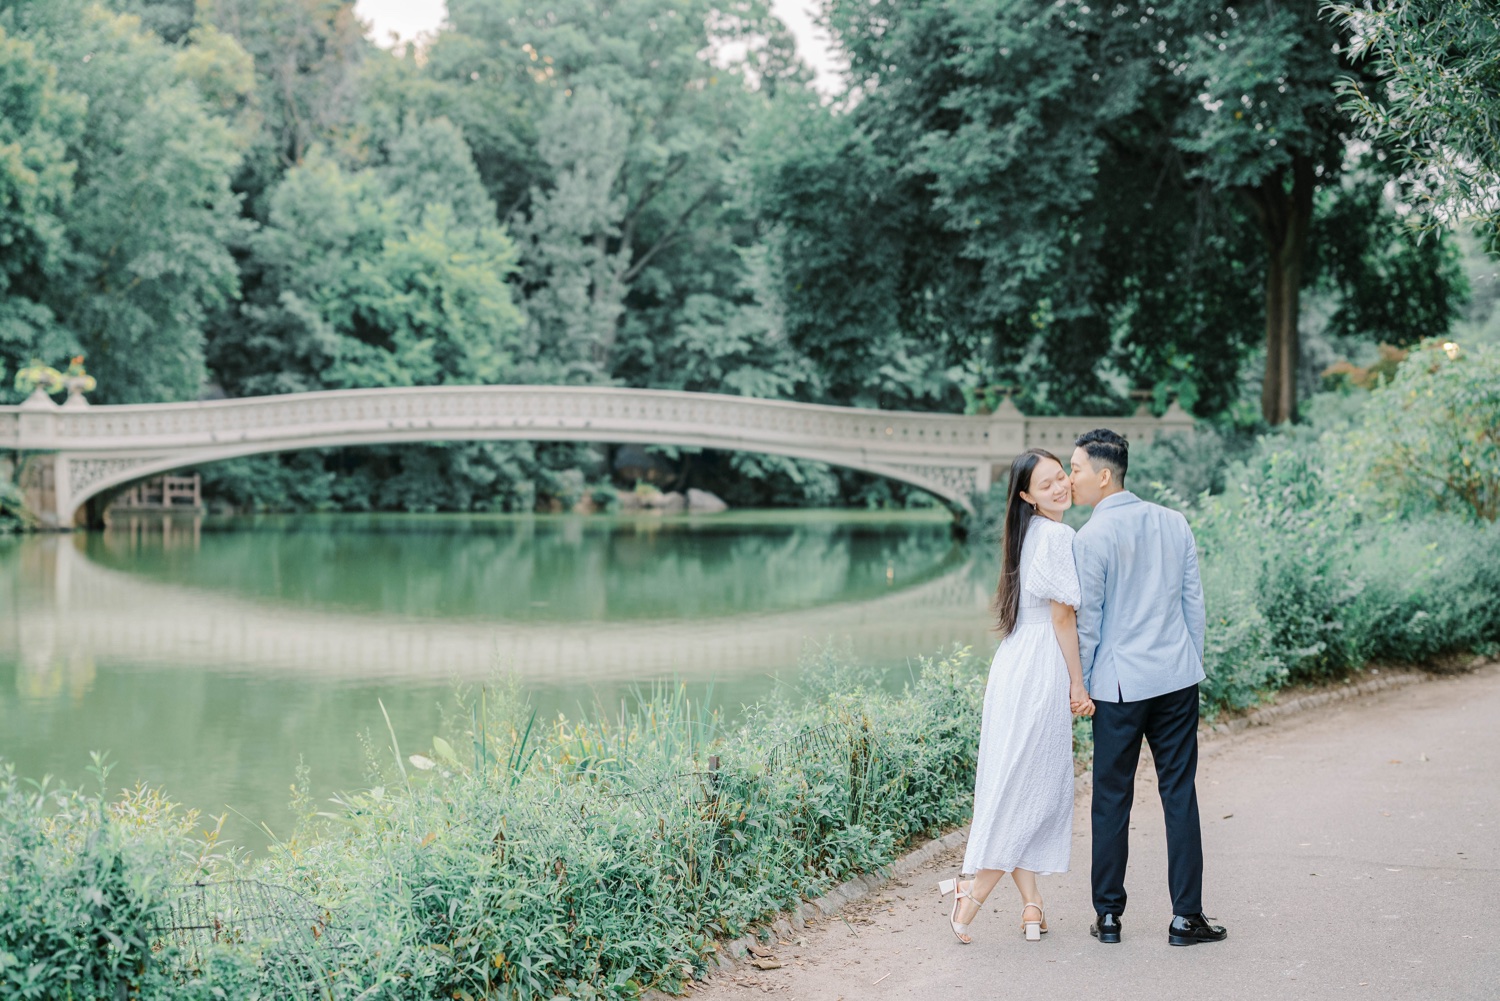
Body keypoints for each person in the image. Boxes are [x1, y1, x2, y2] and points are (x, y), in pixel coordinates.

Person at [1069, 428, 1227, 947]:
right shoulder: (1173, 522)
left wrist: (1082, 686)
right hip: (1176, 679)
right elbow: (1193, 605)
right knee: (1179, 792)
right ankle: (1187, 919)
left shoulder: (1091, 537)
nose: (1072, 480)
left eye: (1076, 470)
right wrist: (1189, 662)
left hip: (1118, 686)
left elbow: (1088, 622)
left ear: (1104, 474)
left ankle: (1109, 917)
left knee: (1112, 799)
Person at [938, 448, 1095, 945]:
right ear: (1026, 496)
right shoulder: (1058, 535)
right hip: (1042, 667)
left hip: (1013, 664)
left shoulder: (1025, 535)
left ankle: (1032, 906)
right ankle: (971, 894)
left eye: (1061, 478)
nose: (1060, 487)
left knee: (1019, 782)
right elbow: (1062, 616)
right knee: (1032, 789)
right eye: (1046, 484)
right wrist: (1077, 681)